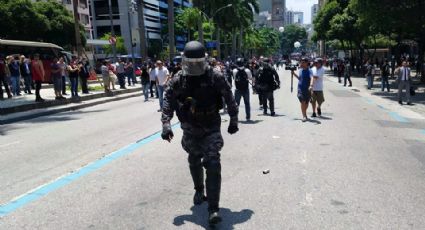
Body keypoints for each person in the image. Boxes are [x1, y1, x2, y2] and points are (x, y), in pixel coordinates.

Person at [161, 41, 238, 225]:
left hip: (211, 125)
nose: (195, 66)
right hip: (189, 127)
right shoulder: (179, 78)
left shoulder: (215, 76)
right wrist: (166, 124)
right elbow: (168, 100)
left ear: (204, 60)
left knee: (212, 163)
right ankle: (198, 189)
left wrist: (234, 119)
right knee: (194, 158)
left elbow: (229, 96)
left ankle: (213, 209)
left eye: (198, 62)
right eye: (191, 63)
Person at [292, 58, 313, 122]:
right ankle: (304, 116)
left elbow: (312, 78)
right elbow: (300, 78)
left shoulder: (310, 71)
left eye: (303, 62)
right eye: (301, 62)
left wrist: (311, 85)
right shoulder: (300, 70)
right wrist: (294, 74)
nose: (301, 63)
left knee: (306, 103)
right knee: (303, 102)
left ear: (307, 63)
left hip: (307, 89)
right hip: (300, 89)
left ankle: (304, 113)